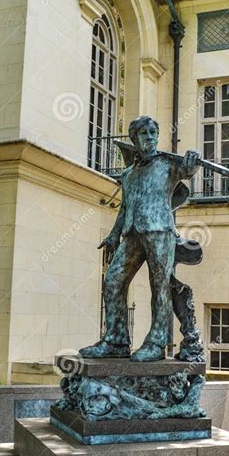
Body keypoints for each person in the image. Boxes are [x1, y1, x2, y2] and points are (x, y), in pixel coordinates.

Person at [80, 115, 201, 362]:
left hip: (159, 231)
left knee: (160, 286)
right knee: (113, 280)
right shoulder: (129, 173)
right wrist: (114, 235)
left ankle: (156, 343)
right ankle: (116, 340)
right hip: (133, 232)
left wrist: (192, 160)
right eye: (144, 133)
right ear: (135, 139)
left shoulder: (169, 165)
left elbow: (187, 170)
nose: (149, 137)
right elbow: (125, 206)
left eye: (153, 132)